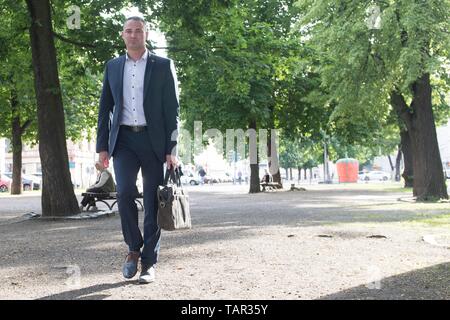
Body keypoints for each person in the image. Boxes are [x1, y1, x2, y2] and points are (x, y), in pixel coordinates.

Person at [96, 16, 179, 284]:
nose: (133, 35)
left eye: (138, 31)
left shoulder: (163, 66)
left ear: (146, 34)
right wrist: (102, 147)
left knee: (154, 200)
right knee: (124, 193)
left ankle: (149, 263)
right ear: (123, 35)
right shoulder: (113, 67)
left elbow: (172, 111)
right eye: (129, 31)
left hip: (153, 140)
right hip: (123, 142)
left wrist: (172, 148)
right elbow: (104, 109)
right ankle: (133, 249)